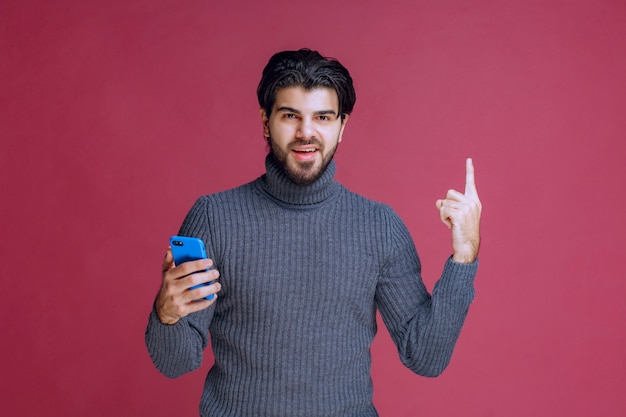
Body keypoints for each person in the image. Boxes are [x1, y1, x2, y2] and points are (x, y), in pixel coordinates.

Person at [145, 48, 482, 417]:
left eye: (322, 117)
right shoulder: (214, 217)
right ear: (265, 121)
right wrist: (166, 315)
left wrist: (464, 258)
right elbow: (173, 364)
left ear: (342, 126)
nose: (306, 132)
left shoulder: (379, 226)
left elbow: (425, 357)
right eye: (291, 115)